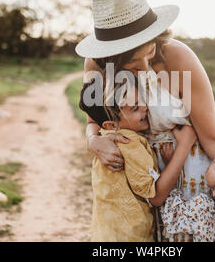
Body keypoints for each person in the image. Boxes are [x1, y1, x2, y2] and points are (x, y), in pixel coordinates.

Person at [76, 0, 215, 241]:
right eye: (131, 62)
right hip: (133, 183)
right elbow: (93, 121)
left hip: (189, 180)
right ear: (110, 57)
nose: (143, 67)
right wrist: (94, 141)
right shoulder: (95, 66)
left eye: (149, 52)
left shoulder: (178, 57)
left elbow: (212, 135)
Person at [79, 77, 197, 241]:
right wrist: (184, 146)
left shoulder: (106, 139)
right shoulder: (129, 145)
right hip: (131, 237)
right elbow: (156, 197)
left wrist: (167, 163)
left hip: (106, 233)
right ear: (111, 125)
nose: (145, 107)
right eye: (135, 108)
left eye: (142, 100)